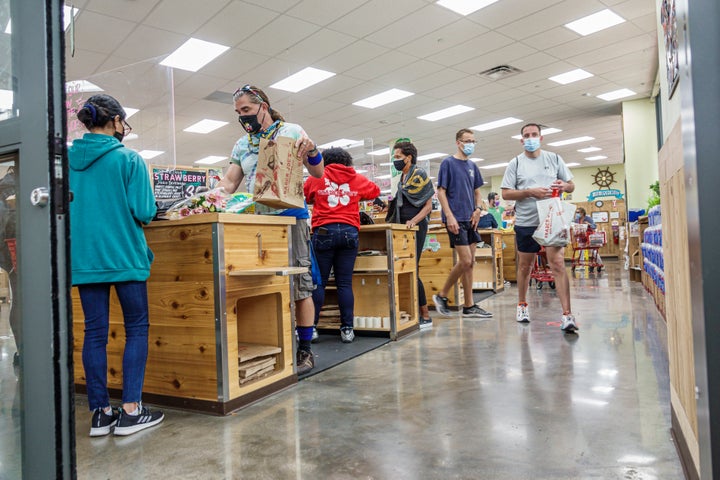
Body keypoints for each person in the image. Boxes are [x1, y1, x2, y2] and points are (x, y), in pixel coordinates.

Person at [69, 94, 164, 436]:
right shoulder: (129, 160)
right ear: (114, 121)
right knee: (136, 328)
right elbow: (144, 211)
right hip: (125, 258)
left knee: (94, 333)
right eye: (123, 122)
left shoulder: (65, 160)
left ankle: (99, 414)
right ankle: (131, 411)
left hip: (84, 260)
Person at [217, 85, 323, 374]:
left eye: (247, 110)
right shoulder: (242, 144)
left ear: (263, 106)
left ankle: (305, 350)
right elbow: (229, 183)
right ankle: (273, 343)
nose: (243, 117)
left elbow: (318, 172)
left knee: (300, 286)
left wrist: (312, 150)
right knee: (264, 284)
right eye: (238, 112)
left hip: (292, 218)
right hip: (259, 223)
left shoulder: (292, 131)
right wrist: (211, 195)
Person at [500, 123, 577, 332]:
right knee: (526, 266)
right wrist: (529, 192)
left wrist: (564, 186)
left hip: (552, 218)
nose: (531, 137)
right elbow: (506, 193)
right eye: (527, 135)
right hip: (526, 221)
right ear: (522, 140)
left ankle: (567, 315)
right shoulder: (515, 163)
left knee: (558, 264)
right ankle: (522, 305)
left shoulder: (554, 159)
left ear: (541, 138)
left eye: (534, 134)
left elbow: (571, 185)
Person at [303, 147, 379, 342]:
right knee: (344, 283)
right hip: (349, 233)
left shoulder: (316, 177)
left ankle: (312, 328)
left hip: (324, 232)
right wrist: (356, 195)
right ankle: (347, 329)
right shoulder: (356, 178)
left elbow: (306, 195)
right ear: (347, 161)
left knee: (318, 283)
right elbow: (375, 192)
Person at [431, 129, 492, 319]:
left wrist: (478, 210)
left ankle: (469, 305)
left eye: (473, 141)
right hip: (455, 218)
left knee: (470, 264)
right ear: (458, 142)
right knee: (465, 260)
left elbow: (477, 192)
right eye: (467, 141)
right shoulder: (448, 163)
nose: (471, 144)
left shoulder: (473, 166)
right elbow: (441, 192)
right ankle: (441, 295)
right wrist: (449, 216)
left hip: (470, 218)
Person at [388, 141, 435, 328]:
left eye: (398, 157)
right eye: (394, 157)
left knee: (413, 268)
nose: (395, 160)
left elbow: (428, 206)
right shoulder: (403, 177)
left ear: (409, 157)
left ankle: (425, 314)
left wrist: (413, 221)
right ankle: (415, 311)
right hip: (403, 227)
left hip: (416, 227)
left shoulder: (420, 175)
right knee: (405, 267)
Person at [0, 167, 18, 367]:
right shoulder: (17, 186)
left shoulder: (3, 186)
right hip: (19, 250)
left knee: (18, 302)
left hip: (9, 254)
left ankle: (23, 350)